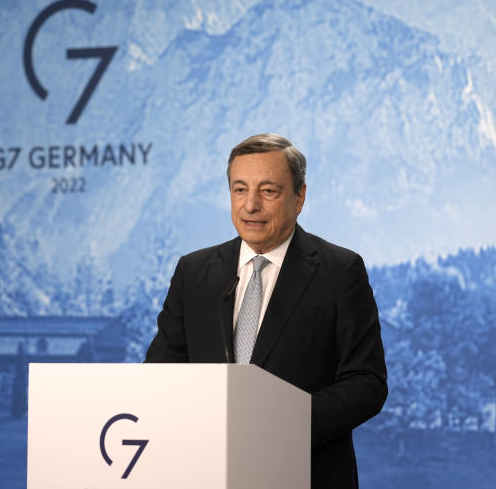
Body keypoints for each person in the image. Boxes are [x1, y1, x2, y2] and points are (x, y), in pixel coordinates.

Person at [145, 133, 387, 488]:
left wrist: (285, 420)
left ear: (299, 196)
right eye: (239, 190)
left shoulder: (340, 271)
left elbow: (367, 383)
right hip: (207, 472)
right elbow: (160, 373)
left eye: (268, 191)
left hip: (304, 473)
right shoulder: (194, 272)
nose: (250, 206)